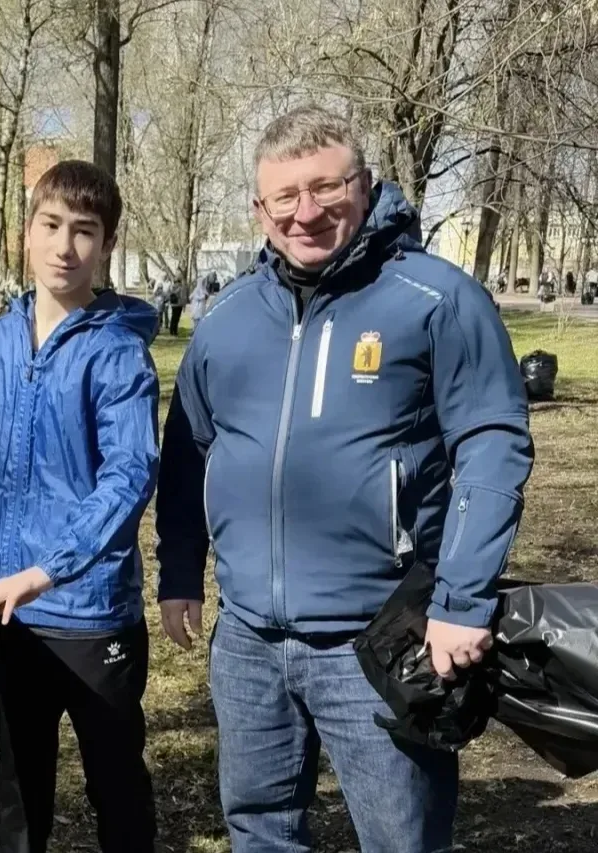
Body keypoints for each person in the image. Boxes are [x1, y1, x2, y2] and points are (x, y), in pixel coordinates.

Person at [156, 106, 533, 853]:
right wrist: (178, 569)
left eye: (324, 188)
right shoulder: (226, 319)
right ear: (259, 209)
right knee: (259, 832)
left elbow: (492, 444)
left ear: (363, 185)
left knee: (402, 840)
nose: (305, 213)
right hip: (248, 638)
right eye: (284, 197)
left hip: (383, 635)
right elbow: (189, 452)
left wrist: (463, 600)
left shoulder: (435, 299)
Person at [0, 159, 160, 853]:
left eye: (85, 231)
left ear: (107, 244)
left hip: (93, 619)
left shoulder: (118, 353)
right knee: (17, 794)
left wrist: (51, 569)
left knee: (117, 790)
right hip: (8, 615)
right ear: (27, 231)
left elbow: (129, 476)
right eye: (52, 225)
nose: (66, 246)